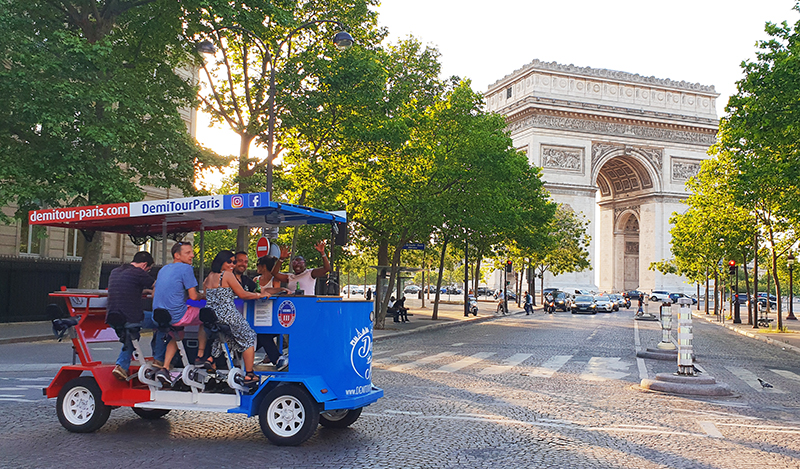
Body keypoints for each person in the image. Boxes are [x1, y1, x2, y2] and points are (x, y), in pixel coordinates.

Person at [202, 250, 271, 385]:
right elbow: (243, 294)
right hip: (228, 315)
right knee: (249, 336)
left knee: (226, 336)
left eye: (234, 262)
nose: (232, 265)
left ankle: (211, 359)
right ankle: (250, 374)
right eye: (230, 262)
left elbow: (205, 294)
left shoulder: (209, 276)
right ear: (221, 262)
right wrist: (259, 295)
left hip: (214, 316)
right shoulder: (226, 275)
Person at [152, 242, 206, 386]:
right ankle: (201, 355)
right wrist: (204, 295)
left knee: (179, 334)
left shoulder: (163, 269)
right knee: (206, 315)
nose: (192, 255)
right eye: (188, 253)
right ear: (177, 255)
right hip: (177, 316)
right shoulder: (186, 269)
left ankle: (165, 367)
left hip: (159, 315)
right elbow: (193, 297)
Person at [106, 251, 156, 381]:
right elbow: (157, 286)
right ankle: (159, 358)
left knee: (131, 335)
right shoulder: (139, 273)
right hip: (131, 316)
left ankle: (121, 366)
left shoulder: (115, 271)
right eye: (148, 270)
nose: (147, 273)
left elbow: (127, 289)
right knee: (160, 321)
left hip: (113, 315)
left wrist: (142, 291)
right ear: (145, 265)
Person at [253, 255, 291, 371]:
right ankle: (277, 358)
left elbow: (274, 294)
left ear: (263, 267)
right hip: (257, 313)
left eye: (258, 265)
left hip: (270, 314)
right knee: (259, 336)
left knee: (262, 336)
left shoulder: (275, 280)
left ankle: (275, 358)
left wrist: (281, 290)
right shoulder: (256, 280)